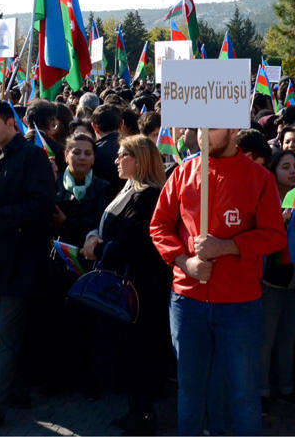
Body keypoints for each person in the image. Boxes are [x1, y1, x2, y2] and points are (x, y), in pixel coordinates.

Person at [149, 126, 287, 436]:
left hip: (239, 304)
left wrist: (228, 246)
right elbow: (159, 227)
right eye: (199, 126)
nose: (202, 134)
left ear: (233, 129)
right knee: (189, 391)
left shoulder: (259, 178)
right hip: (187, 301)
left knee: (243, 393)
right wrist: (185, 262)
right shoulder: (183, 173)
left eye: (211, 127)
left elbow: (274, 236)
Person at [0, 99, 57, 436]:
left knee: (8, 339)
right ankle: (14, 391)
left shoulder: (32, 156)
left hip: (20, 263)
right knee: (5, 336)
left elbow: (42, 205)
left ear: (11, 123)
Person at [82, 135, 172, 435]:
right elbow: (109, 226)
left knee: (140, 352)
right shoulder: (129, 188)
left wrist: (99, 249)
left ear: (141, 160)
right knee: (127, 351)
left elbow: (132, 241)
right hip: (125, 283)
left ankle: (145, 416)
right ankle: (137, 410)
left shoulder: (148, 196)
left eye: (124, 155)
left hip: (141, 288)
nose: (116, 160)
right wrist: (93, 237)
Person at [258, 149, 295, 410]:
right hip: (270, 284)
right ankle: (262, 392)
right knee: (266, 341)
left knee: (288, 339)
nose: (293, 172)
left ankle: (287, 388)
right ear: (273, 171)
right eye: (285, 167)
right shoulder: (264, 200)